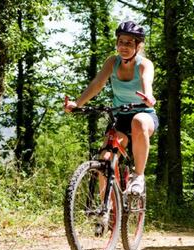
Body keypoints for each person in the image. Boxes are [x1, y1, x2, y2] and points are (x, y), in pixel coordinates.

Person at [65, 20, 158, 195]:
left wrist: (149, 97)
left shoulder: (144, 64)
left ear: (138, 46)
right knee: (105, 159)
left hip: (144, 114)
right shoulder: (112, 62)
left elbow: (147, 81)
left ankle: (138, 176)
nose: (124, 46)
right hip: (120, 117)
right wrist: (77, 104)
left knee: (138, 121)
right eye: (121, 42)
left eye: (129, 43)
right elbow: (97, 84)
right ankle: (105, 212)